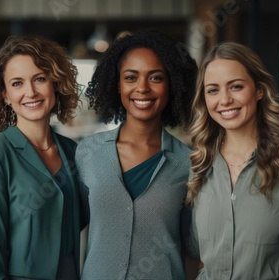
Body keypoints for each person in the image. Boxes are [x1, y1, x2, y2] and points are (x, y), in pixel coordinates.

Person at [186, 41, 279, 279]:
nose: (224, 100)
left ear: (259, 90)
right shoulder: (198, 165)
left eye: (235, 86)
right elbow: (194, 247)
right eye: (213, 90)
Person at [76, 30, 197, 279]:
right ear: (117, 84)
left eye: (156, 78)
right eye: (131, 77)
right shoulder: (89, 152)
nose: (142, 88)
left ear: (171, 84)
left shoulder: (189, 162)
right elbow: (68, 229)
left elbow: (195, 248)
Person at [0, 35, 87, 280]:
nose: (30, 92)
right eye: (17, 83)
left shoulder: (73, 151)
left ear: (55, 83)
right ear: (4, 95)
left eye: (40, 79)